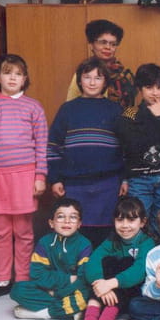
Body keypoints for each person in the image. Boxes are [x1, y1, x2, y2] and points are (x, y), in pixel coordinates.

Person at [0, 53, 48, 303]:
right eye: (7, 73)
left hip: (24, 176)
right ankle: (3, 280)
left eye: (18, 74)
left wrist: (40, 176)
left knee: (23, 231)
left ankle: (22, 279)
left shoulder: (33, 107)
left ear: (25, 79)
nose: (13, 78)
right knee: (1, 231)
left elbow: (42, 145)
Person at [48, 57, 125, 247]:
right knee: (74, 229)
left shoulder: (115, 109)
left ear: (105, 82)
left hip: (108, 183)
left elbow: (126, 149)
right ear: (79, 81)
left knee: (106, 231)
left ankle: (100, 264)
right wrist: (55, 178)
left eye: (98, 78)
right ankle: (77, 263)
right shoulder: (67, 109)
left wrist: (125, 179)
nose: (92, 82)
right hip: (75, 183)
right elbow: (53, 146)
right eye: (87, 77)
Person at [69, 197, 155, 320]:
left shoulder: (146, 243)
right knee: (107, 262)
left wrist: (110, 284)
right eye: (120, 220)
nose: (125, 225)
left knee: (127, 263)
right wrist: (101, 285)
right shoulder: (112, 240)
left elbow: (139, 271)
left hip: (132, 289)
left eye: (131, 220)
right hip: (108, 287)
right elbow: (93, 262)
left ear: (142, 222)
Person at [116, 63, 160, 238]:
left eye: (159, 88)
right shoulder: (130, 114)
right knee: (138, 220)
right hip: (140, 178)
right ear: (140, 89)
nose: (155, 93)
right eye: (149, 87)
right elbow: (134, 146)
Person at [9, 198, 92, 320]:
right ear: (51, 223)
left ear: (79, 224)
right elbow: (37, 274)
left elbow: (82, 279)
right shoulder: (44, 243)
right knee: (18, 290)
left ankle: (43, 314)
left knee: (86, 295)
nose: (67, 221)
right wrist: (68, 279)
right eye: (61, 217)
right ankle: (68, 311)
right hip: (50, 289)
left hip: (73, 290)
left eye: (73, 217)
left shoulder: (84, 245)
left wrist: (58, 293)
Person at [66, 20, 135, 108]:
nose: (108, 47)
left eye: (113, 44)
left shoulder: (125, 75)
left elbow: (132, 108)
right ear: (91, 44)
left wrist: (127, 116)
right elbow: (71, 106)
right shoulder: (84, 73)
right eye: (103, 42)